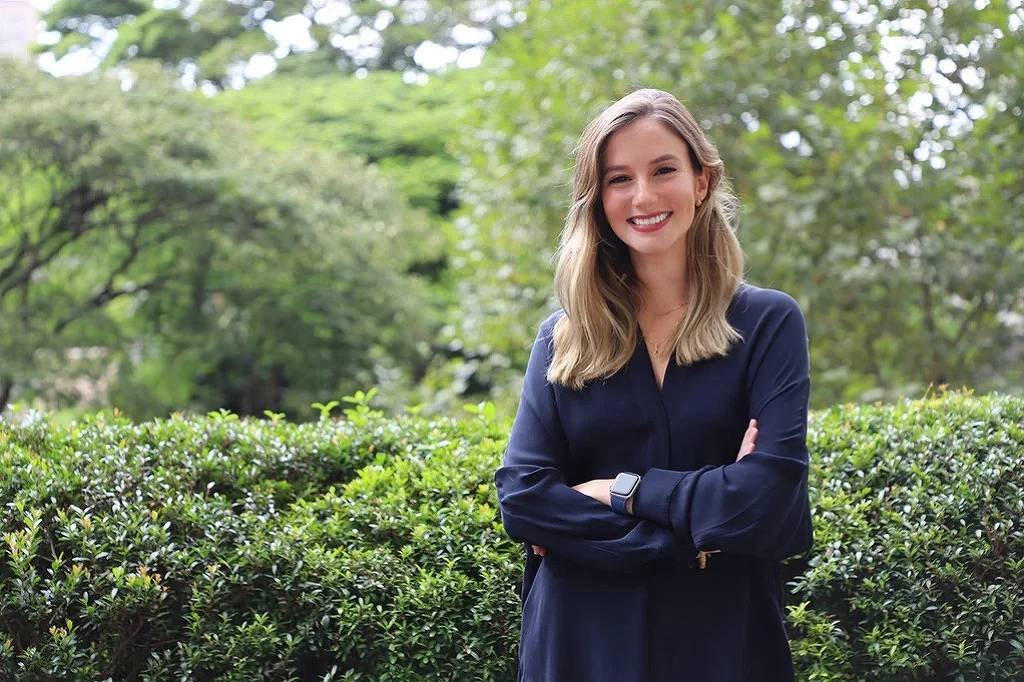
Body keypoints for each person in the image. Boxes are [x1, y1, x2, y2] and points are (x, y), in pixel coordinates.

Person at [493, 87, 814, 681]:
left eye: (663, 169)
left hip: (723, 642)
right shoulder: (562, 338)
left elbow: (769, 504)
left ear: (702, 181)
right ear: (597, 199)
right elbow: (525, 499)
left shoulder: (768, 324)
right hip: (579, 644)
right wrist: (694, 538)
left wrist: (616, 491)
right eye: (618, 178)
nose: (642, 196)